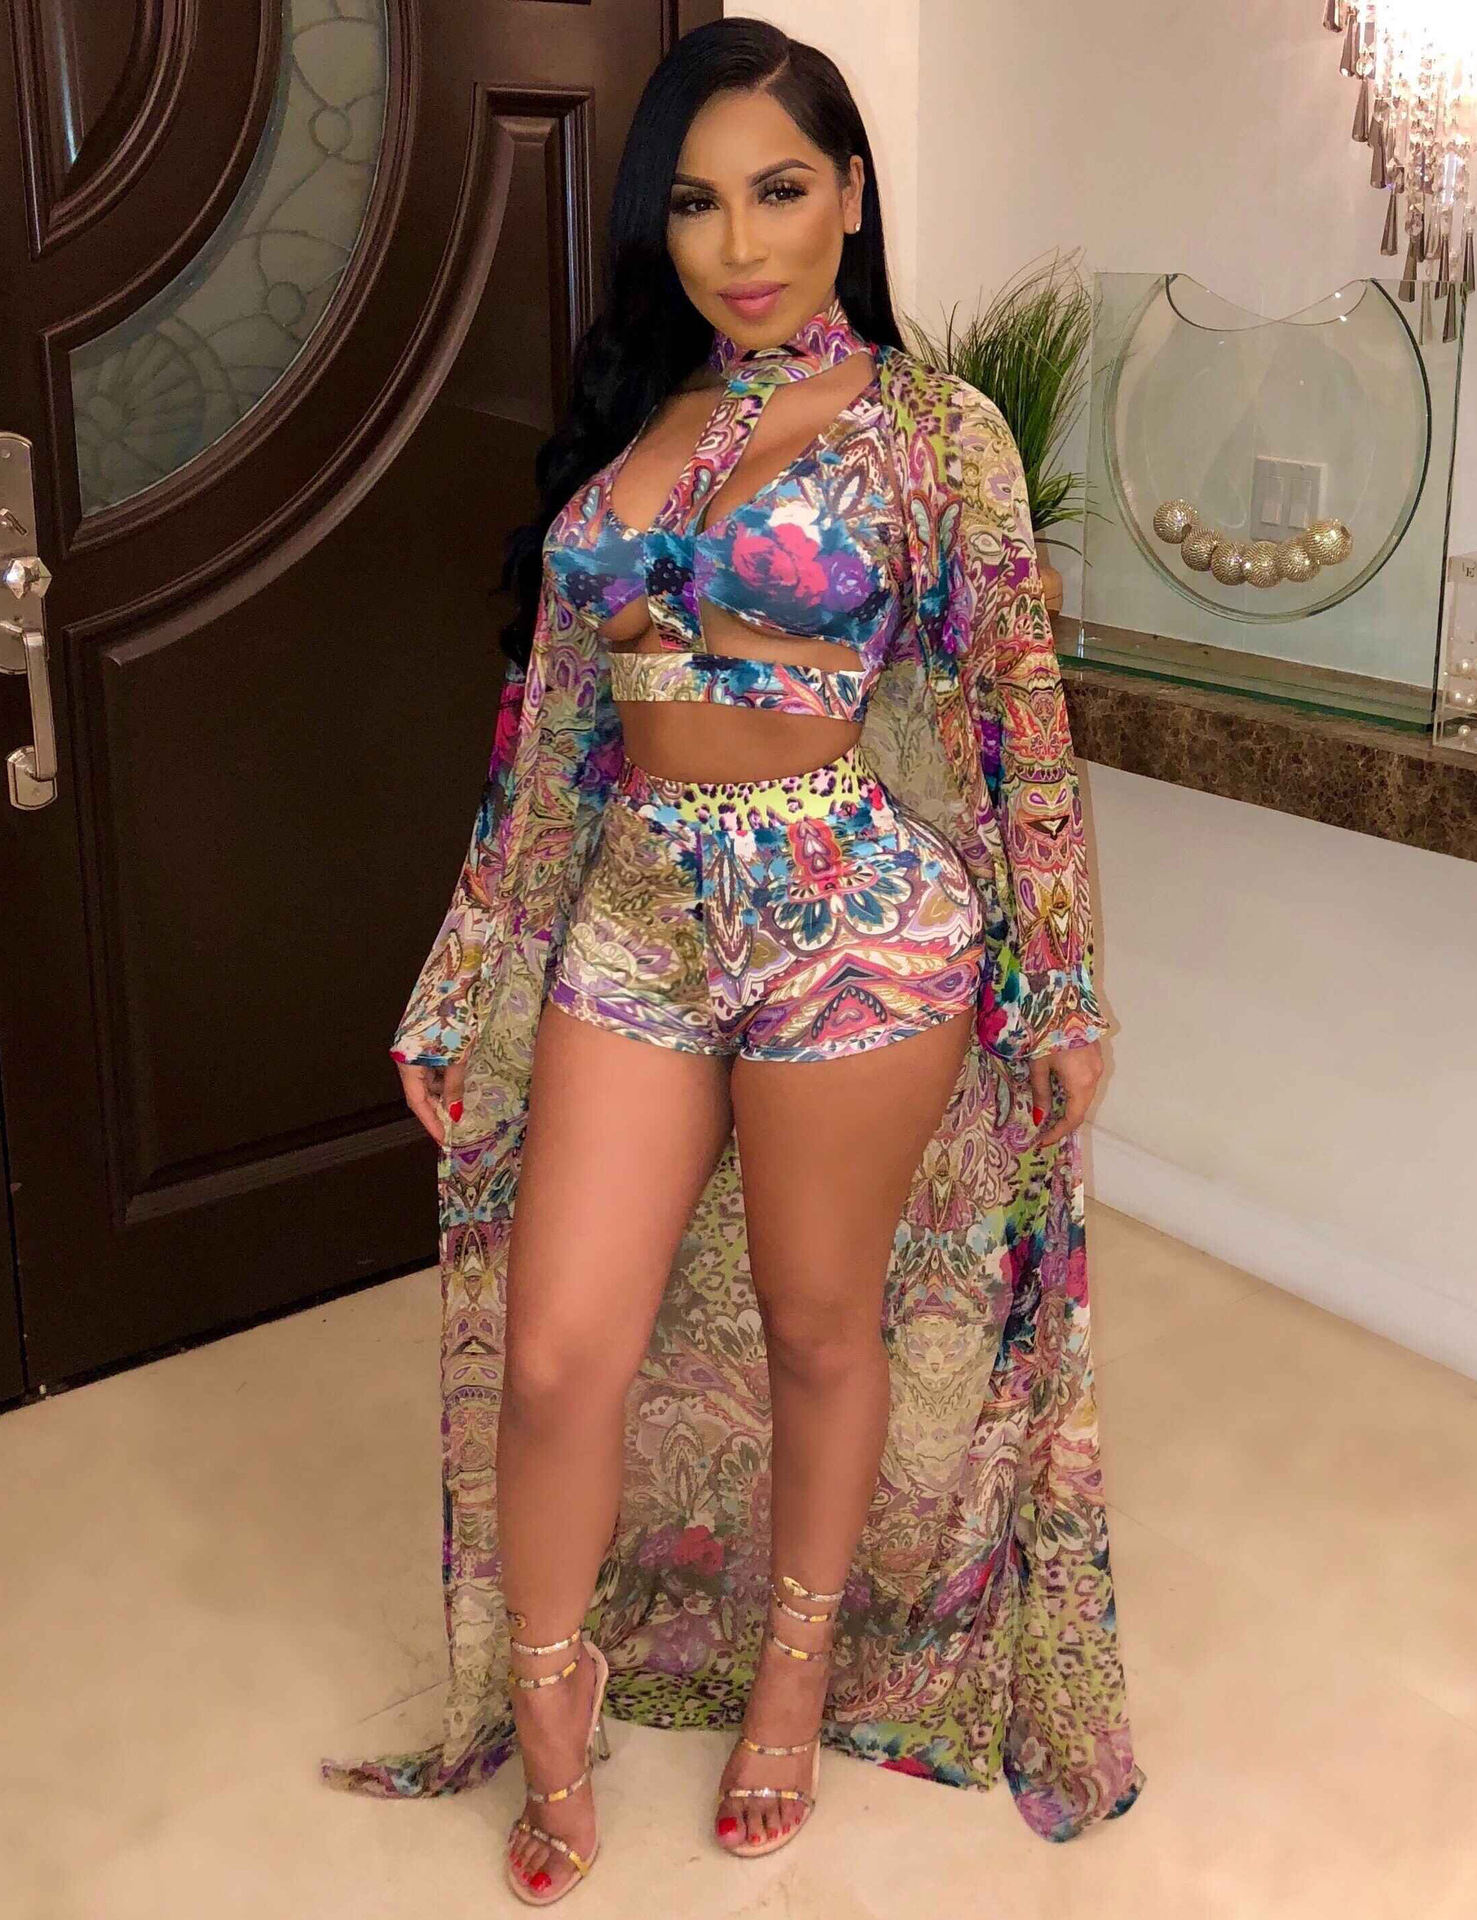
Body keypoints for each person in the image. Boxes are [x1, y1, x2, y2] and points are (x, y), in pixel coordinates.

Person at [320, 17, 1143, 1904]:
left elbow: (1017, 713)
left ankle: (796, 1669)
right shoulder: (641, 420)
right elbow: (548, 744)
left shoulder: (935, 432)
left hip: (851, 921)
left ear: (851, 196)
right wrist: (459, 974)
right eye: (696, 203)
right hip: (636, 913)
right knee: (557, 1359)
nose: (739, 242)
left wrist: (1061, 984)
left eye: (779, 190)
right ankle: (551, 1699)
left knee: (817, 1325)